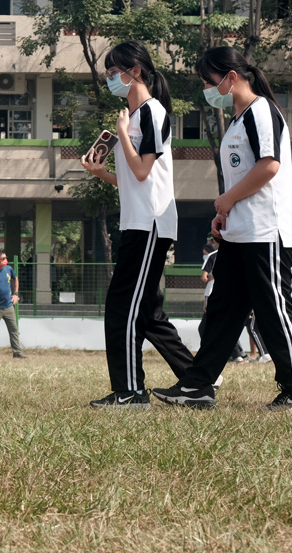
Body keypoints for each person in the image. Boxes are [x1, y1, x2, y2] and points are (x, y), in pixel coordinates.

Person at [153, 47, 292, 412]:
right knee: (223, 310)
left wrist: (226, 200)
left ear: (231, 77)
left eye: (208, 82)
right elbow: (242, 176)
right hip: (239, 232)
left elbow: (269, 167)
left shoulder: (261, 111)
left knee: (273, 309)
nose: (207, 89)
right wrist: (225, 211)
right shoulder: (238, 120)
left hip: (266, 230)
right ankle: (198, 385)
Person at [80, 41, 194, 409]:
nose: (111, 79)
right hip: (137, 222)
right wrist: (101, 173)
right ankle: (197, 379)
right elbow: (133, 180)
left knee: (123, 307)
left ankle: (130, 391)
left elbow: (143, 170)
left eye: (115, 73)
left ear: (136, 71)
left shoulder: (151, 112)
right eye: (108, 74)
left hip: (151, 224)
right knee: (144, 311)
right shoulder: (135, 116)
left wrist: (123, 133)